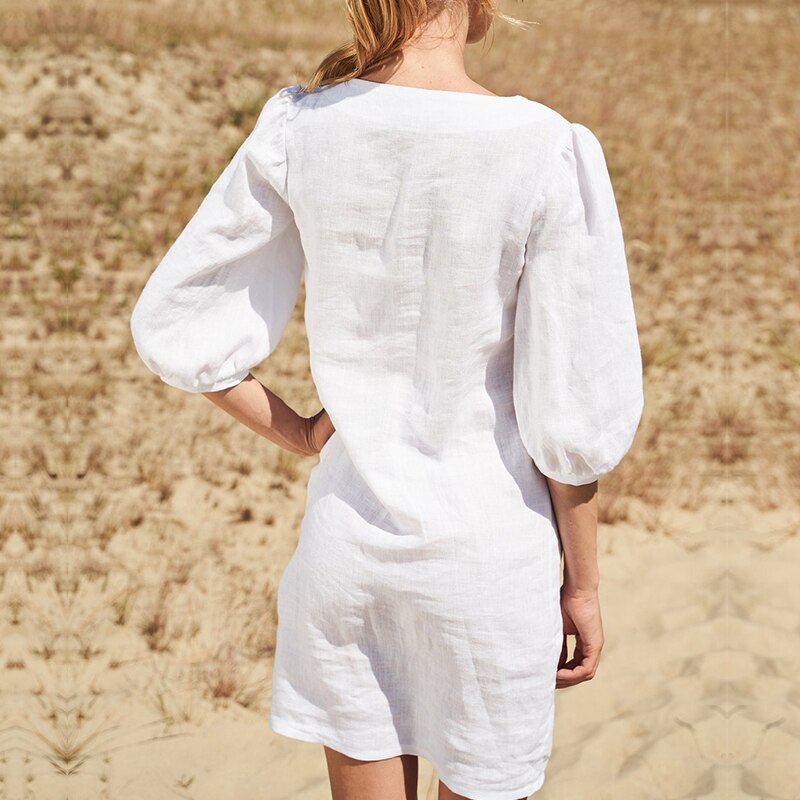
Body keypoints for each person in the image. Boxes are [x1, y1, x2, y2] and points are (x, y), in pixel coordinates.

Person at [129, 0, 644, 797]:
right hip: (488, 565)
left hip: (347, 559)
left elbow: (178, 320)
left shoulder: (302, 129)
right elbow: (569, 417)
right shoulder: (546, 148)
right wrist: (582, 586)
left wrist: (300, 433)